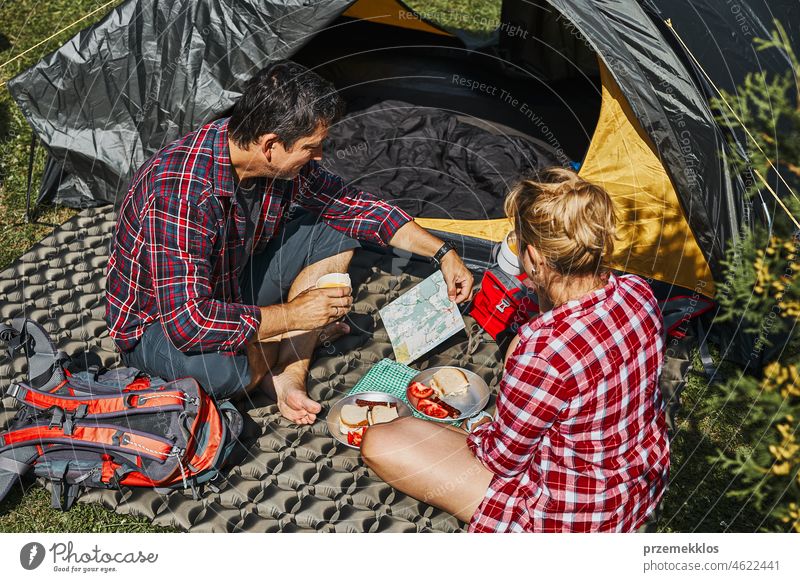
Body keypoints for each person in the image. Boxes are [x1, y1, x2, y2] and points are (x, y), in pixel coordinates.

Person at [106, 60, 474, 425]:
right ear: (270, 145)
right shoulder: (181, 195)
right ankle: (277, 352)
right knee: (224, 373)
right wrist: (297, 315)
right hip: (157, 326)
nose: (318, 156)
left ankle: (287, 375)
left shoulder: (267, 160)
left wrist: (443, 253)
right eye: (310, 148)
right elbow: (189, 323)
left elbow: (355, 208)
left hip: (230, 283)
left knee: (336, 226)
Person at [361, 168, 670, 532]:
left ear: (536, 258)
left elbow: (502, 460)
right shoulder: (638, 292)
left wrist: (475, 429)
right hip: (638, 485)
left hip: (571, 516)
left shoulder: (542, 351)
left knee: (382, 441)